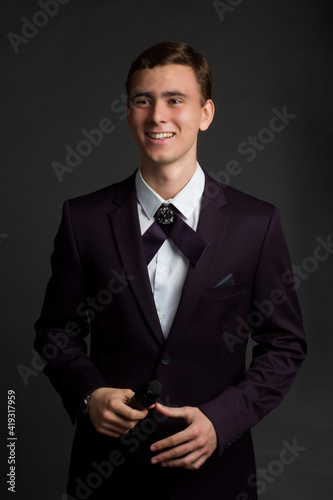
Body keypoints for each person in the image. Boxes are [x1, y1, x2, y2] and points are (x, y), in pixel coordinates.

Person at [34, 41, 306, 499]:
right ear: (128, 112)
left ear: (206, 113)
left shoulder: (257, 223)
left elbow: (285, 345)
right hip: (105, 474)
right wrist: (88, 394)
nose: (158, 115)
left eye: (175, 100)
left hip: (217, 475)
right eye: (144, 100)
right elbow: (55, 331)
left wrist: (224, 420)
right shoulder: (82, 220)